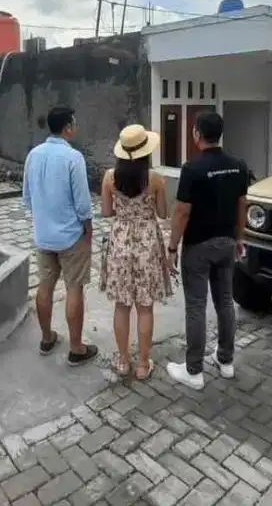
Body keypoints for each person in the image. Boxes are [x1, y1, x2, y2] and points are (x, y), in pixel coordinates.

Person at [166, 110, 250, 390]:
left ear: (197, 134)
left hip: (198, 247)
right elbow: (242, 205)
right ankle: (225, 361)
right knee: (225, 302)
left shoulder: (192, 168)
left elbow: (181, 212)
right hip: (227, 243)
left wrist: (171, 246)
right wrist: (239, 237)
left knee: (196, 306)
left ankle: (194, 371)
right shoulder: (238, 166)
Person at [22, 106, 99, 366]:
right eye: (74, 123)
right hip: (70, 236)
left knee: (45, 286)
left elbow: (27, 197)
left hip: (43, 236)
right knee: (74, 287)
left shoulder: (33, 155)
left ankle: (46, 338)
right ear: (67, 127)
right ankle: (76, 348)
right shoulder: (73, 157)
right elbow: (83, 203)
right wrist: (88, 230)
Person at [99, 124, 172, 380]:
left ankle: (122, 361)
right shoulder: (154, 179)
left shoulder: (109, 177)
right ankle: (142, 364)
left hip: (120, 242)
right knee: (145, 307)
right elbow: (163, 213)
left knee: (121, 305)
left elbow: (106, 212)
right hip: (147, 244)